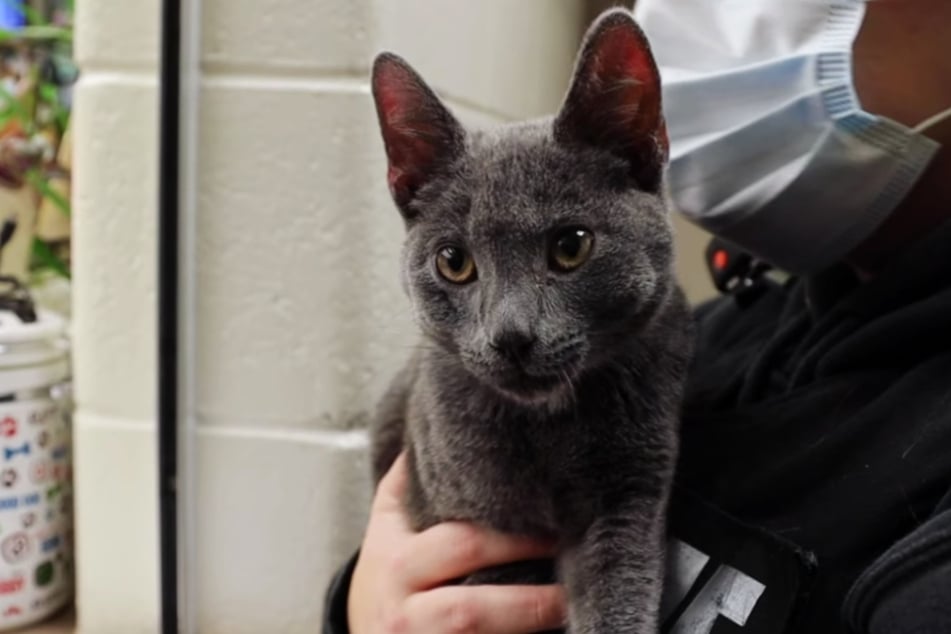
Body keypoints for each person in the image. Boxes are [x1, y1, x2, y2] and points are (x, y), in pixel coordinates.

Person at [324, 1, 951, 632]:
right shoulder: (732, 330)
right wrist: (358, 609)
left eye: (569, 248)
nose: (508, 329)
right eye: (457, 264)